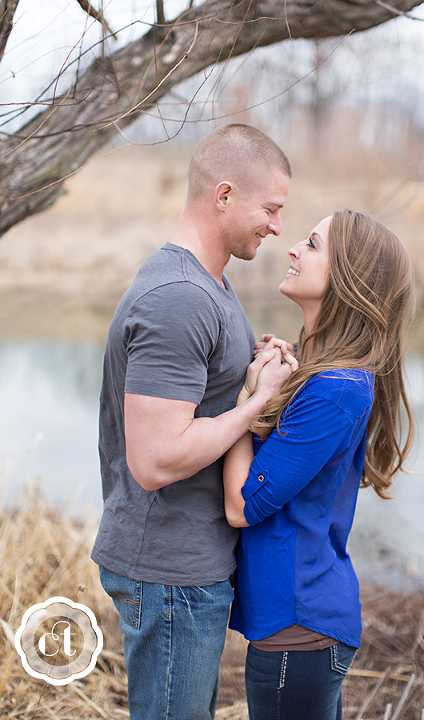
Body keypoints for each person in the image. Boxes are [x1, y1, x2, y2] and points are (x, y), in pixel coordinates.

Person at [91, 123, 296, 720]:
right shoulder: (180, 296)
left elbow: (204, 404)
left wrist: (256, 377)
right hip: (169, 573)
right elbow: (154, 461)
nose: (277, 227)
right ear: (224, 195)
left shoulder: (212, 285)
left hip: (188, 568)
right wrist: (255, 405)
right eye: (271, 208)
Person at [223, 210, 415, 720]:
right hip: (295, 626)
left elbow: (243, 505)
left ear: (348, 280)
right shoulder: (322, 377)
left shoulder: (336, 391)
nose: (292, 248)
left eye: (311, 244)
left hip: (301, 628)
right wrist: (274, 383)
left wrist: (247, 401)